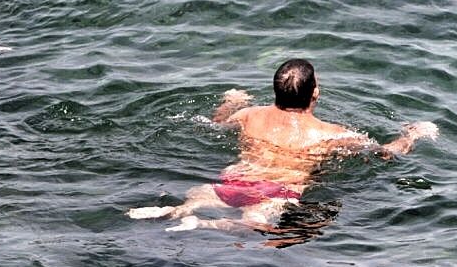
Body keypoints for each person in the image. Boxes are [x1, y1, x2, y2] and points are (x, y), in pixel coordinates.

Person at [129, 58, 438, 234]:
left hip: (232, 182)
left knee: (194, 198)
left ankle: (180, 210)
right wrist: (411, 135)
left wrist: (230, 101)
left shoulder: (248, 114)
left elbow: (215, 125)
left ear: (275, 90)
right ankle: (203, 224)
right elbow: (385, 152)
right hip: (279, 191)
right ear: (315, 93)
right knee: (254, 224)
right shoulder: (330, 133)